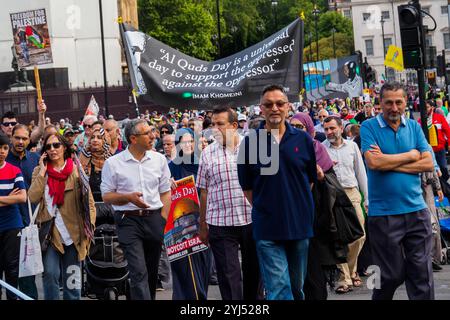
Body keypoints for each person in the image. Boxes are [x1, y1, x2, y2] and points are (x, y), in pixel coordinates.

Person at [238, 85, 317, 300]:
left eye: (280, 103)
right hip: (267, 228)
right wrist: (269, 208)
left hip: (299, 225)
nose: (275, 108)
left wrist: (294, 204)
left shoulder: (303, 140)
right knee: (279, 289)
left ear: (288, 107)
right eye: (269, 104)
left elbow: (309, 180)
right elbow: (247, 187)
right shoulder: (249, 143)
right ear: (261, 109)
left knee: (296, 288)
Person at [361, 82, 435, 300]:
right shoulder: (368, 126)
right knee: (389, 276)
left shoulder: (413, 127)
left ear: (405, 103)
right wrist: (412, 155)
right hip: (383, 215)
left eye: (398, 102)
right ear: (380, 104)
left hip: (416, 211)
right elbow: (374, 163)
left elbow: (429, 163)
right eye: (388, 103)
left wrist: (388, 162)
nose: (394, 108)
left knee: (422, 275)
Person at [197, 106, 263, 300]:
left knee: (254, 274)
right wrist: (202, 224)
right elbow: (204, 190)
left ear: (234, 125)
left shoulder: (252, 148)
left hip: (252, 220)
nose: (215, 128)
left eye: (220, 124)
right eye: (213, 124)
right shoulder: (208, 153)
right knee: (228, 277)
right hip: (220, 223)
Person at [101, 119, 171, 300]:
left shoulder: (159, 159)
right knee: (138, 271)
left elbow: (165, 192)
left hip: (155, 219)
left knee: (151, 271)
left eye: (152, 131)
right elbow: (107, 196)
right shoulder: (113, 163)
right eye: (147, 133)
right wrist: (128, 198)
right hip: (128, 220)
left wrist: (163, 219)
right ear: (133, 138)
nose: (153, 135)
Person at [28, 133, 96, 300]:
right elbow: (32, 197)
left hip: (74, 233)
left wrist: (89, 229)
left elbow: (90, 204)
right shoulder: (39, 170)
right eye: (48, 146)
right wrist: (43, 172)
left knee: (72, 279)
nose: (52, 149)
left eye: (56, 145)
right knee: (50, 274)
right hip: (49, 233)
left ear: (64, 147)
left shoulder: (76, 170)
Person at [322, 116, 368, 294]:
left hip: (352, 192)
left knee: (359, 235)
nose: (329, 132)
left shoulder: (352, 146)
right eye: (326, 129)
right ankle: (344, 278)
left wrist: (367, 200)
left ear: (341, 128)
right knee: (337, 237)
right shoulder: (322, 148)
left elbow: (360, 172)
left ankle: (352, 269)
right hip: (332, 194)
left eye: (332, 128)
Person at [168, 128, 211, 300]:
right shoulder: (169, 168)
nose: (187, 145)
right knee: (185, 268)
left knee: (203, 265)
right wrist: (166, 183)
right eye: (183, 142)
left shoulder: (203, 163)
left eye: (190, 141)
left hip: (204, 223)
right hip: (181, 227)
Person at [6, 124, 40, 299]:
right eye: (17, 138)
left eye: (24, 138)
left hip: (30, 226)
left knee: (27, 277)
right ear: (11, 137)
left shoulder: (35, 159)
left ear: (29, 140)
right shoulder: (3, 159)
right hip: (7, 225)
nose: (20, 141)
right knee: (9, 276)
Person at [0, 134, 27, 300]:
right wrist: (9, 198)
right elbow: (15, 198)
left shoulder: (15, 170)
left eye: (4, 148)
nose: (1, 152)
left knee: (12, 267)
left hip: (12, 225)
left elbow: (22, 198)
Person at [418, 100, 450, 183]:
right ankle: (437, 187)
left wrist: (449, 143)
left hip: (440, 149)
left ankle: (443, 184)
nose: (425, 109)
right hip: (427, 151)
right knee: (430, 170)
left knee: (443, 168)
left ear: (432, 108)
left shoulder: (440, 117)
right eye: (423, 108)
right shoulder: (420, 120)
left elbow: (447, 131)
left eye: (427, 107)